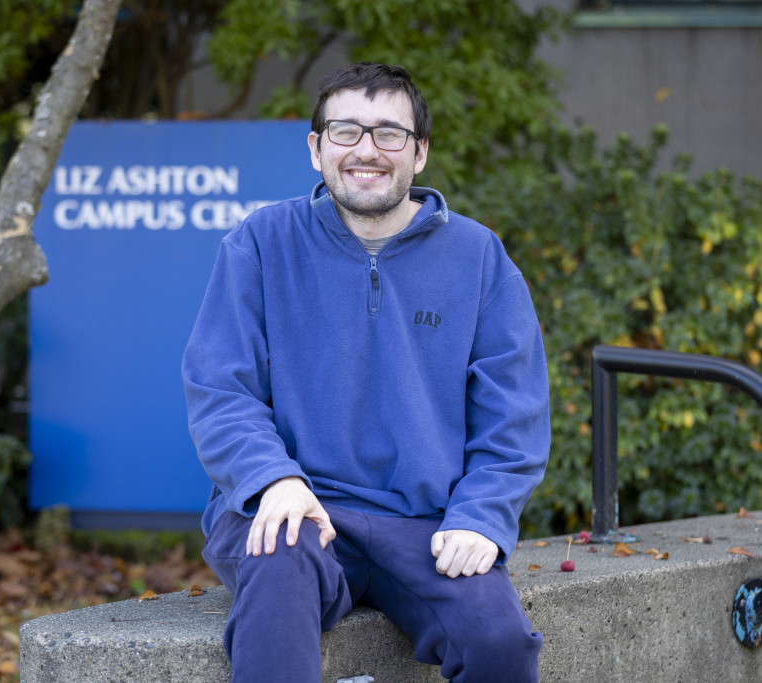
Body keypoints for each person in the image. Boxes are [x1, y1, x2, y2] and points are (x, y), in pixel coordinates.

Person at [182, 62, 551, 683]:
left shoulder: (478, 256)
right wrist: (272, 480)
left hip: (425, 524)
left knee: (501, 645)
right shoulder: (260, 242)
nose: (366, 151)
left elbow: (513, 414)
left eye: (389, 134)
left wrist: (483, 516)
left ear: (420, 152)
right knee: (277, 566)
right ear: (316, 147)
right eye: (346, 131)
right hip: (299, 508)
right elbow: (222, 390)